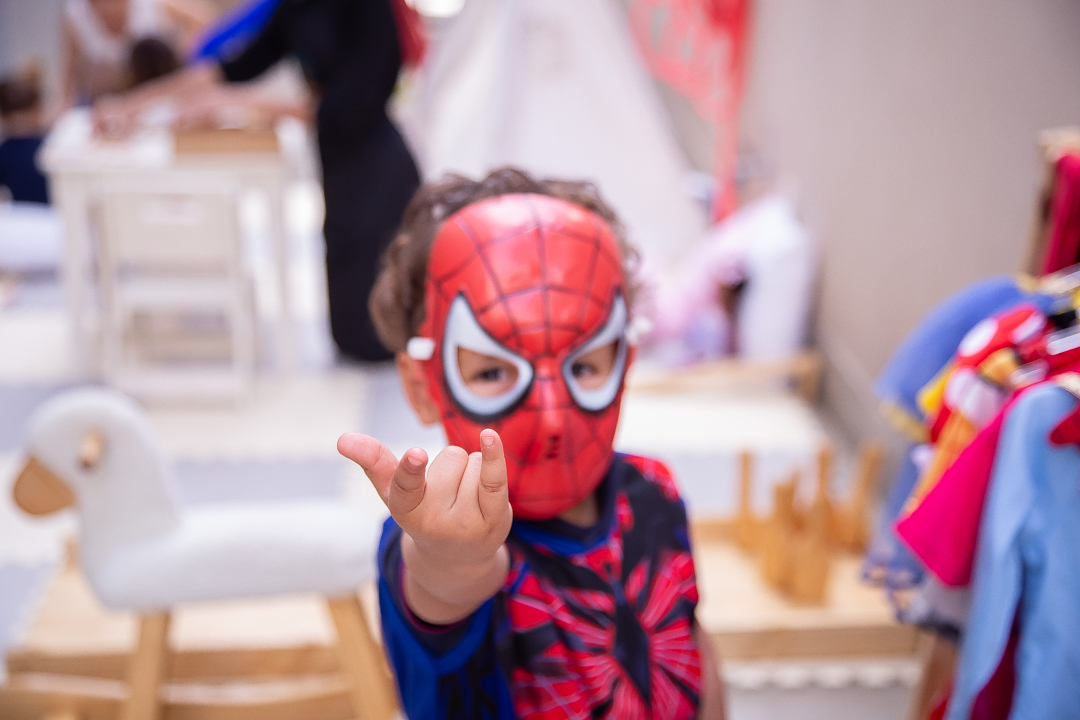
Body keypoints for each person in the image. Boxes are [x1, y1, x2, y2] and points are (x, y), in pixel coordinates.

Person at [337, 167, 726, 718]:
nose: (550, 418)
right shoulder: (437, 538)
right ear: (423, 386)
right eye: (494, 373)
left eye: (585, 365)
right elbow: (446, 586)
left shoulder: (653, 489)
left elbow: (689, 644)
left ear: (625, 361)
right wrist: (454, 556)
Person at [94, 0, 423, 361]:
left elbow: (346, 108)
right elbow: (231, 68)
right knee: (347, 333)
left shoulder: (366, 9)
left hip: (379, 169)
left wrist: (239, 101)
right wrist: (131, 105)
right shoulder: (297, 8)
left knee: (380, 336)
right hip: (338, 169)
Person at [61, 0, 214, 109]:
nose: (108, 10)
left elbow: (202, 22)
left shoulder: (151, 5)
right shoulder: (77, 14)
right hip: (110, 100)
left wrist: (181, 55)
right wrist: (64, 106)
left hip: (161, 90)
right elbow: (70, 69)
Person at [0, 73, 50, 205]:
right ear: (36, 109)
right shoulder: (48, 148)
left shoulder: (3, 152)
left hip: (21, 219)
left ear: (2, 114)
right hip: (51, 218)